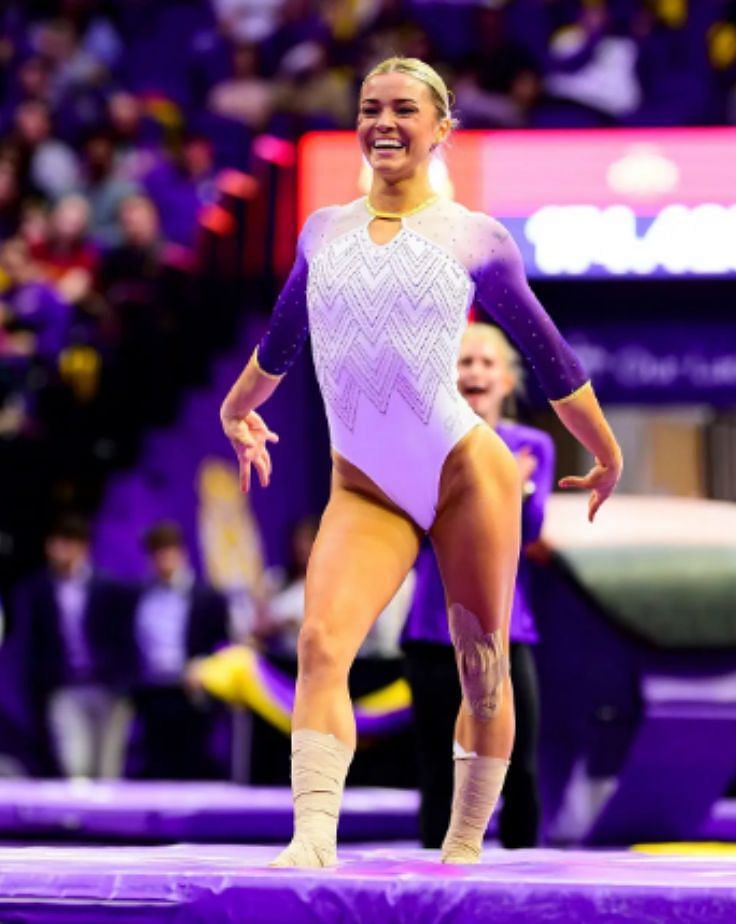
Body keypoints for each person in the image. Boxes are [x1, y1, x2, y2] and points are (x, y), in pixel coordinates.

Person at [218, 56, 622, 868]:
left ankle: (466, 845)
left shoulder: (474, 237)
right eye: (370, 108)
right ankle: (312, 839)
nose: (384, 123)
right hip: (365, 486)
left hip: (466, 472)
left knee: (482, 668)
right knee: (321, 645)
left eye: (405, 108)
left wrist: (605, 452)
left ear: (443, 128)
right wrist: (237, 408)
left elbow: (552, 360)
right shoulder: (322, 230)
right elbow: (281, 343)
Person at [402, 322, 554, 849]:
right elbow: (424, 527)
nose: (475, 371)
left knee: (520, 767)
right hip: (431, 630)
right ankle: (429, 884)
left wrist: (484, 492)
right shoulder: (427, 442)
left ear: (507, 381)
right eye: (465, 362)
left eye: (487, 363)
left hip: (506, 629)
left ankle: (525, 887)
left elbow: (528, 530)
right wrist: (504, 480)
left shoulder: (533, 444)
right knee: (437, 770)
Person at [7, 514, 137, 779]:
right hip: (65, 687)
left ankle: (108, 821)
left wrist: (126, 682)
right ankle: (80, 821)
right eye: (53, 543)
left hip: (108, 687)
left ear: (81, 547)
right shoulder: (37, 590)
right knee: (75, 762)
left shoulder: (109, 588)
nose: (57, 550)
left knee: (108, 768)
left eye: (65, 543)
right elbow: (30, 643)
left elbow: (126, 639)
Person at [129, 520, 229, 779]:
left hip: (193, 693)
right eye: (157, 551)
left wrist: (205, 671)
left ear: (182, 552)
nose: (163, 558)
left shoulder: (208, 597)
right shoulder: (139, 595)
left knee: (192, 766)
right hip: (152, 693)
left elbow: (224, 646)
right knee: (156, 767)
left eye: (169, 550)